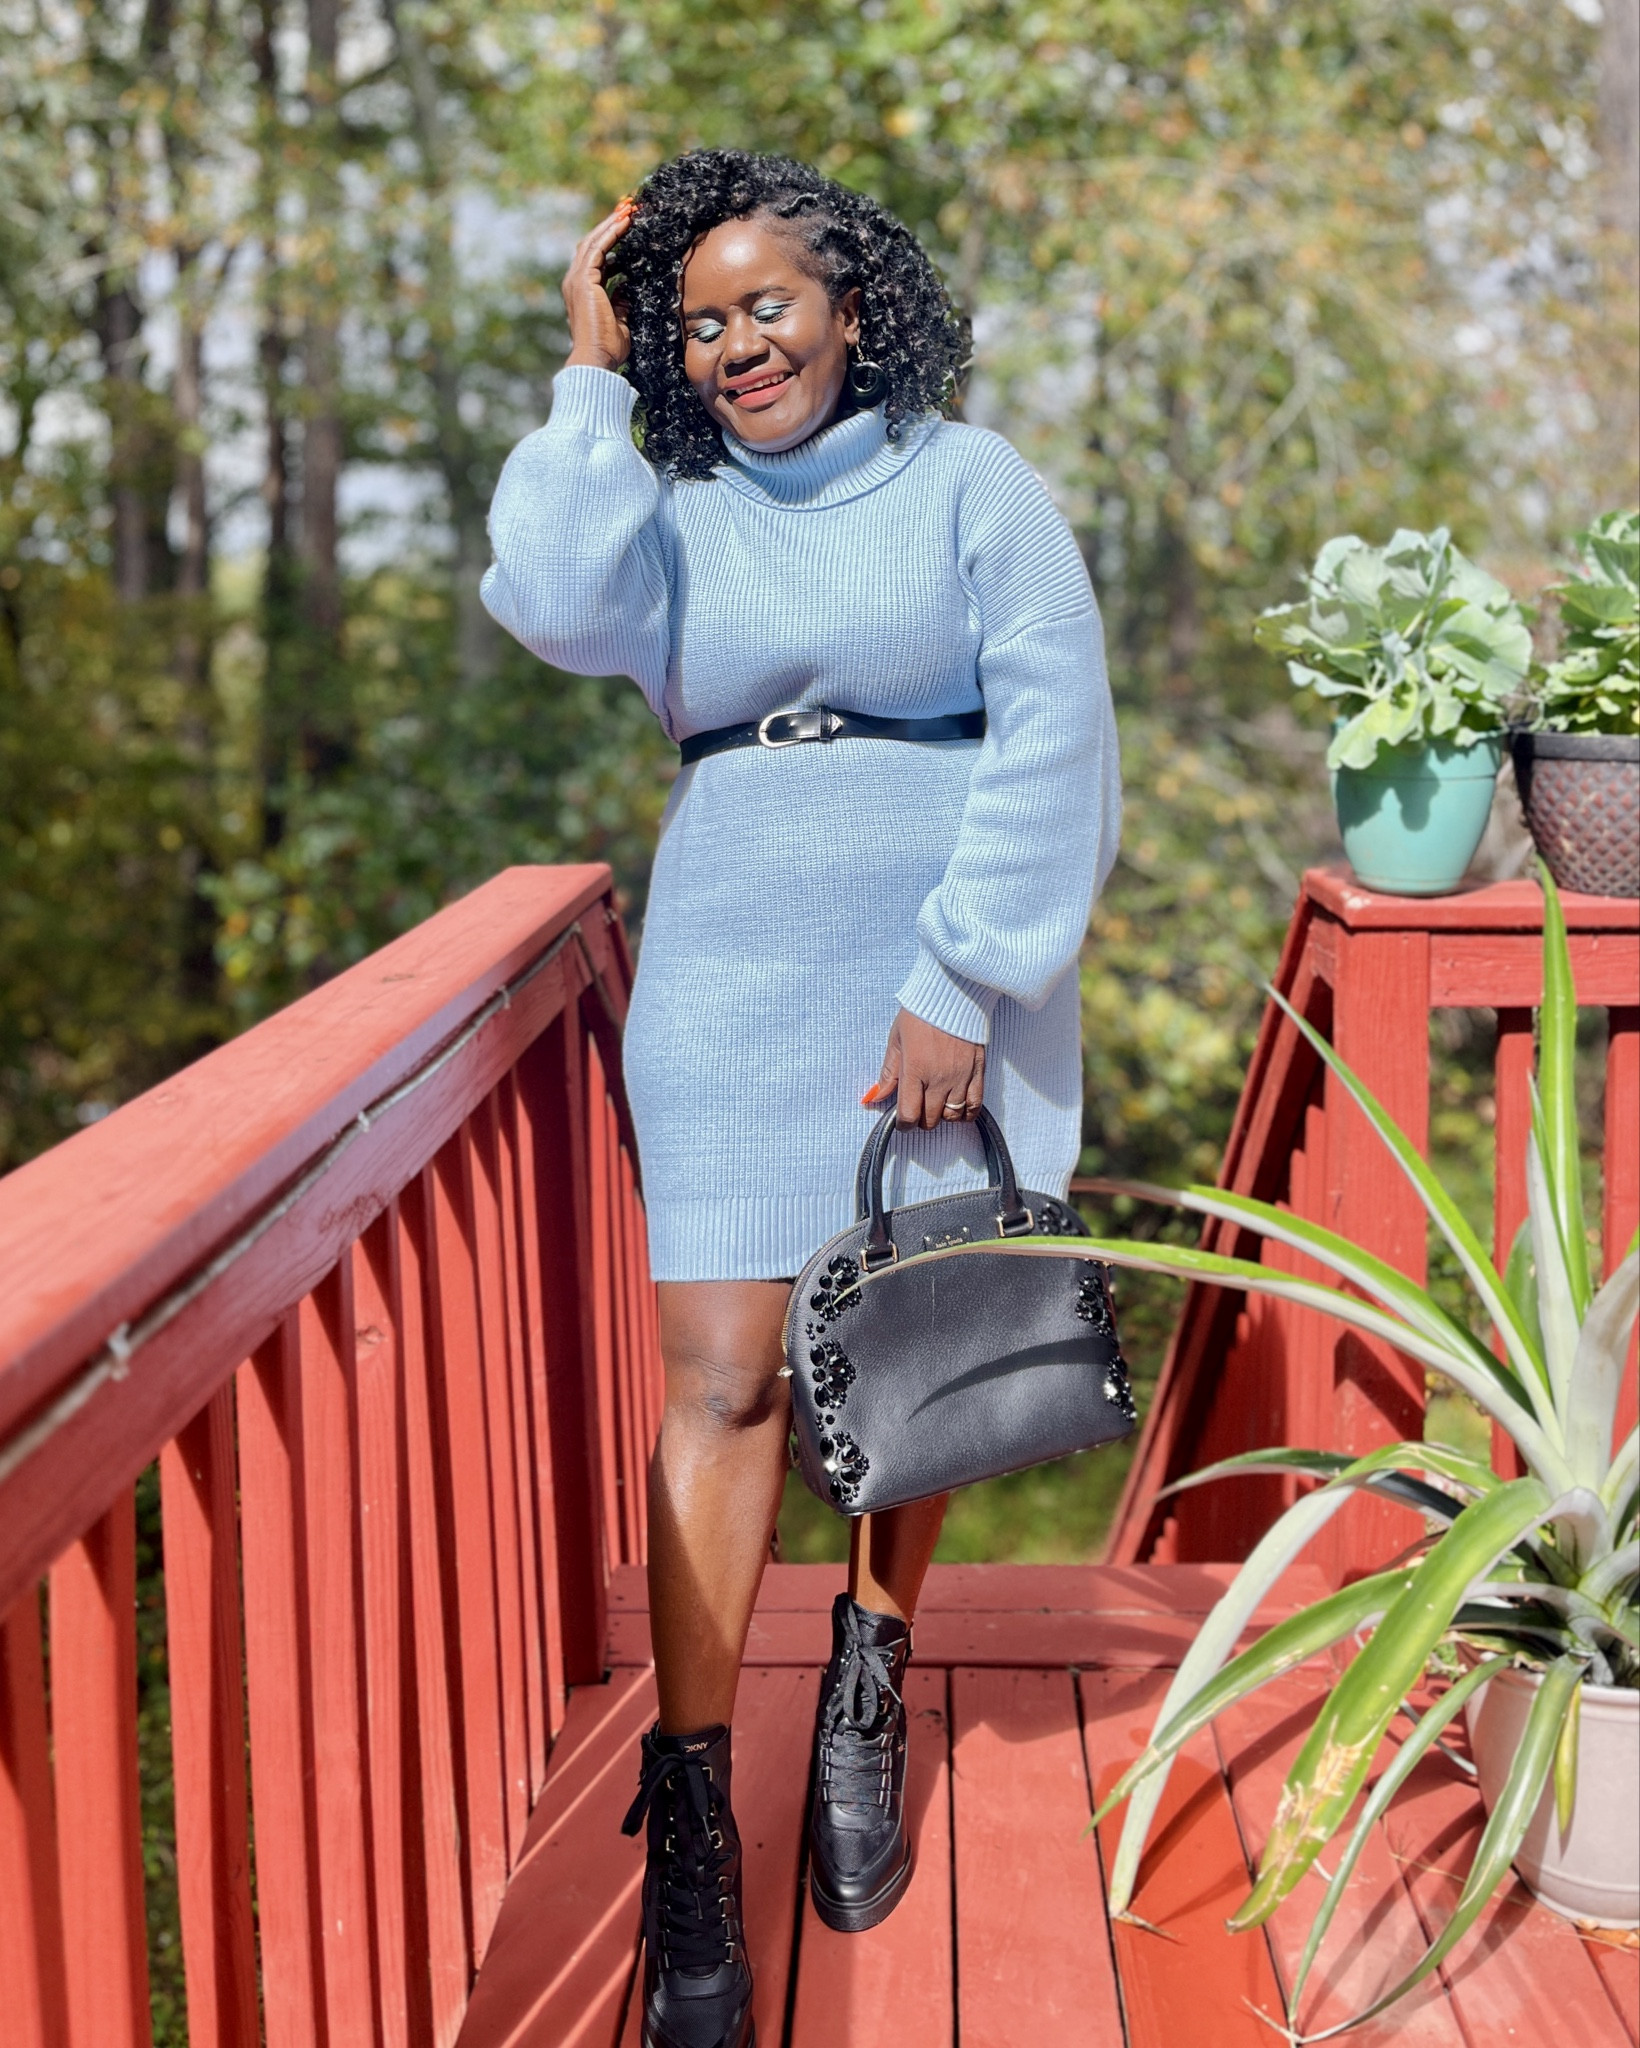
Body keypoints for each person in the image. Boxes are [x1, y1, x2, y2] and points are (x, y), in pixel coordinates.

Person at [482, 148, 1119, 2048]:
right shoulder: (663, 502)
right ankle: (692, 1824)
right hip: (732, 972)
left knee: (913, 1353)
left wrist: (962, 979)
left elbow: (1060, 730)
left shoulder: (969, 482)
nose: (739, 344)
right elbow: (546, 599)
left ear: (854, 303)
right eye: (698, 320)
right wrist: (591, 373)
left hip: (935, 970)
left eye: (771, 305)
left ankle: (867, 1682)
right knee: (723, 1384)